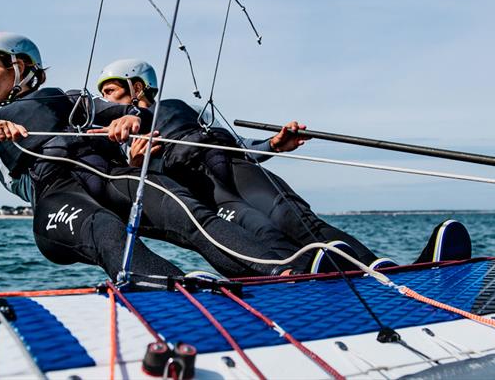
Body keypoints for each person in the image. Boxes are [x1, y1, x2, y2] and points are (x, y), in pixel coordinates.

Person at [0, 33, 300, 283]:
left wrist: (131, 118)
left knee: (190, 214)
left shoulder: (72, 100)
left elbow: (141, 116)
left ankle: (285, 275)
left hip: (115, 177)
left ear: (20, 67)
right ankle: (181, 299)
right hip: (59, 198)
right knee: (107, 231)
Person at [97, 59, 472, 271]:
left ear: (138, 87)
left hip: (237, 165)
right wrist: (136, 158)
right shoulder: (120, 137)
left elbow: (240, 144)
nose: (107, 101)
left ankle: (389, 271)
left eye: (111, 92)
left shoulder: (174, 107)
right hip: (212, 195)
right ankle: (320, 279)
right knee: (265, 232)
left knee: (303, 223)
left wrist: (274, 144)